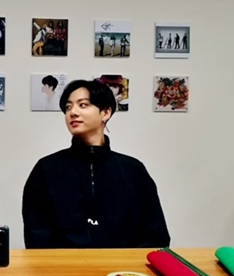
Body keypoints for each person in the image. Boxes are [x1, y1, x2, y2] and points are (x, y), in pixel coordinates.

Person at [22, 79, 170, 249]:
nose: (73, 112)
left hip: (123, 265)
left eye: (83, 105)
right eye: (68, 107)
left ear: (106, 112)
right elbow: (37, 235)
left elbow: (155, 234)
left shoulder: (133, 170)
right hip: (62, 264)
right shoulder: (46, 169)